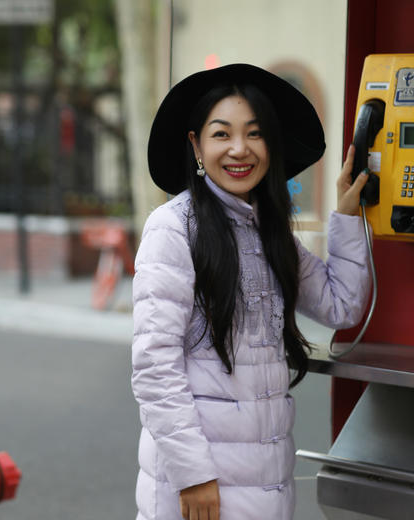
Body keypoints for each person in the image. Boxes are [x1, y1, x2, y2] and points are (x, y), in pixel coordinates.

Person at [131, 63, 371, 520]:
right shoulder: (172, 229)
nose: (240, 149)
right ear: (196, 145)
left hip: (268, 488)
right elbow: (153, 366)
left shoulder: (268, 228)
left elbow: (342, 304)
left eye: (254, 134)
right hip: (201, 492)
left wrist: (346, 214)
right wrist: (193, 475)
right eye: (221, 134)